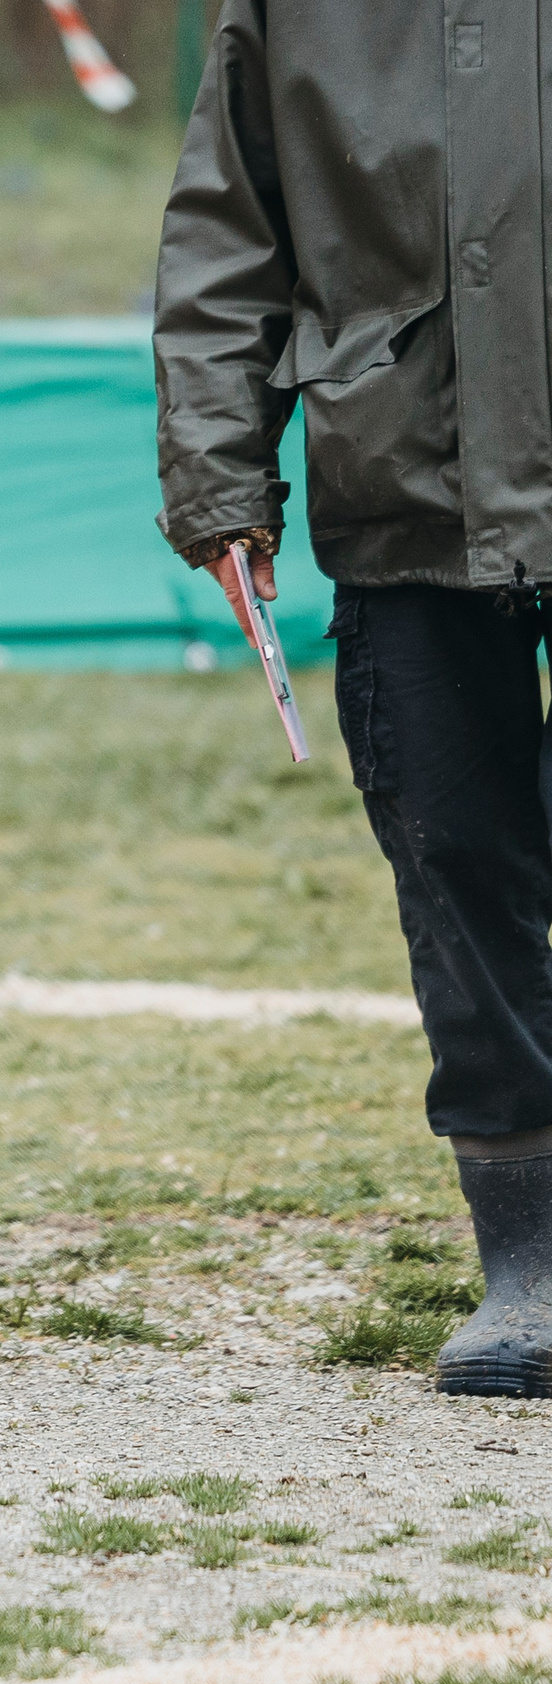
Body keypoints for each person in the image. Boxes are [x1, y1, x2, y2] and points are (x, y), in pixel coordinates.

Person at [155, 9, 552, 1397]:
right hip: (406, 474)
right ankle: (530, 1252)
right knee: (456, 855)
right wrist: (218, 475)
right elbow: (227, 229)